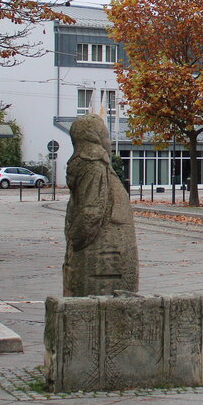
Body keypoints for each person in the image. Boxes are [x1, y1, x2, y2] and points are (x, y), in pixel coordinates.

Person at [64, 113, 139, 296]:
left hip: (105, 252)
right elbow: (91, 210)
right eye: (105, 135)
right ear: (94, 138)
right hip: (104, 252)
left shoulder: (92, 164)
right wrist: (76, 242)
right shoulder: (94, 166)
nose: (109, 141)